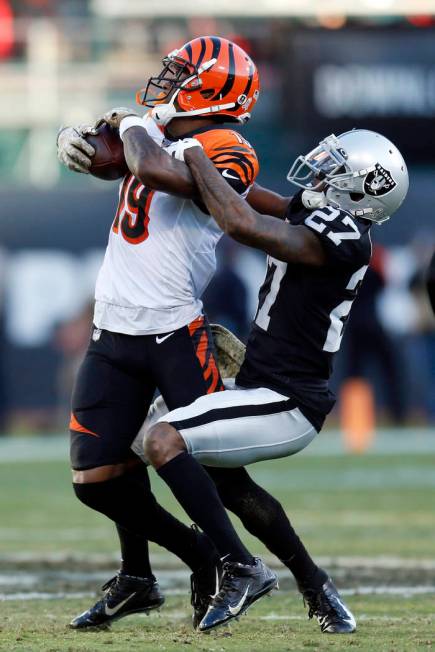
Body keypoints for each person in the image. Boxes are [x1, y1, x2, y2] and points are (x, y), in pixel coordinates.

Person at [56, 36, 335, 633]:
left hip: (172, 334)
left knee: (219, 479)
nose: (166, 79)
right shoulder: (160, 123)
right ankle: (181, 567)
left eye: (182, 70)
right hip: (115, 329)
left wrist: (128, 123)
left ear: (215, 86)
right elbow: (119, 150)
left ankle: (305, 579)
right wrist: (76, 141)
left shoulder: (228, 146)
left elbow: (154, 165)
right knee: (97, 479)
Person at [142, 129, 409, 631]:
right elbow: (241, 195)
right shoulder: (325, 212)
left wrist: (194, 149)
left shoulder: (347, 237)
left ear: (362, 186)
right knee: (217, 479)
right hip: (260, 382)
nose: (323, 169)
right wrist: (161, 154)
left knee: (164, 440)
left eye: (337, 166)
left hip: (289, 401)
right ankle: (318, 589)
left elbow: (240, 222)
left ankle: (237, 566)